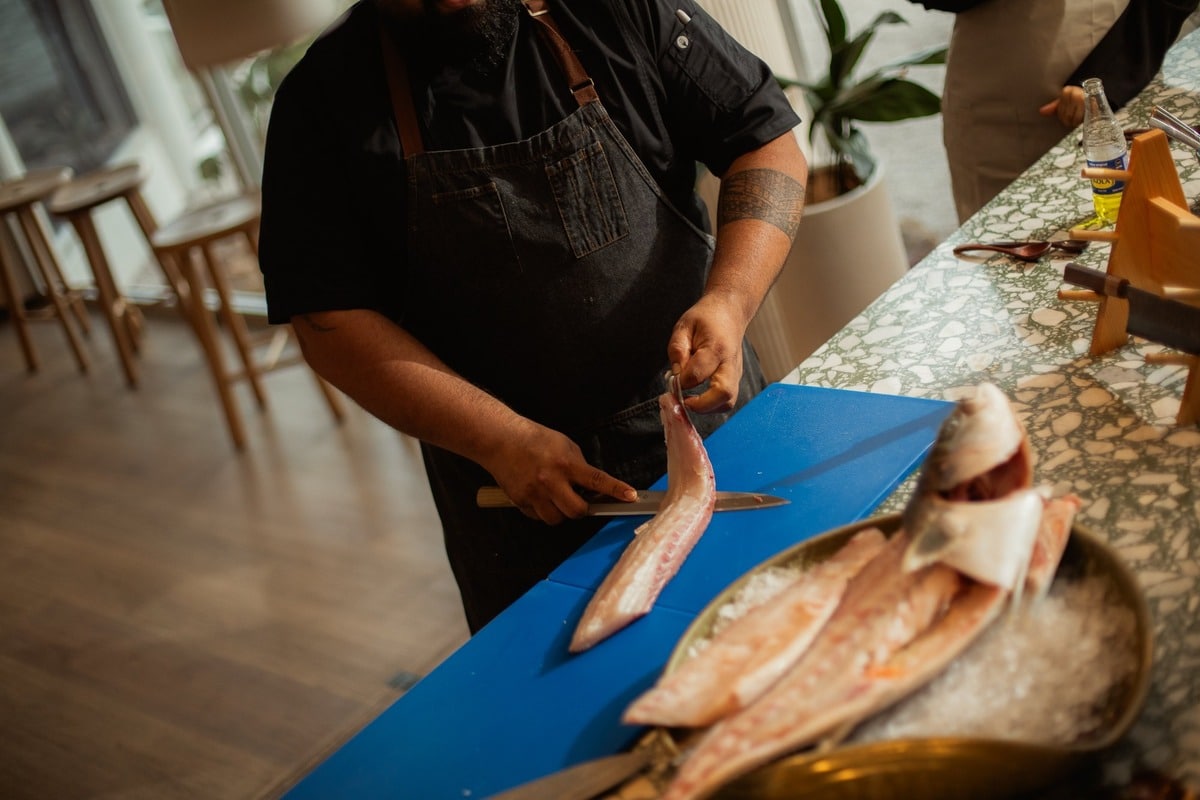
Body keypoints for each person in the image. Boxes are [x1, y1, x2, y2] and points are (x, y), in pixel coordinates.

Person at [257, 0, 808, 632]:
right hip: (517, 502)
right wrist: (499, 439)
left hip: (718, 435)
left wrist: (730, 300)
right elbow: (328, 321)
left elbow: (766, 139)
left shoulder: (614, 11)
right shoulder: (322, 102)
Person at [917, 0, 1198, 223]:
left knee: (1135, 258)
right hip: (999, 114)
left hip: (1125, 85)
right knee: (1008, 270)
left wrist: (1112, 76)